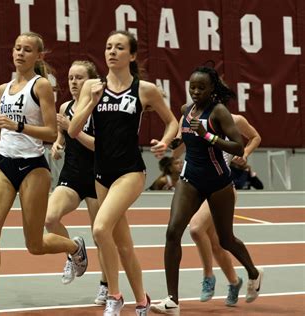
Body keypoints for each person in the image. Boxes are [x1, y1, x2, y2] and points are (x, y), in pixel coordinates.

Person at [0, 32, 88, 316]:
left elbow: (50, 132)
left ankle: (75, 246)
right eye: (16, 48)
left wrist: (18, 127)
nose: (20, 53)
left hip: (32, 167)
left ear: (38, 56)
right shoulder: (3, 89)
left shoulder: (42, 86)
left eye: (27, 50)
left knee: (34, 245)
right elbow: (1, 127)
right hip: (4, 162)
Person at [68, 30, 178, 316]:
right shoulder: (92, 85)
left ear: (131, 55)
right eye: (108, 47)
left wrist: (166, 142)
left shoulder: (145, 89)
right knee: (124, 244)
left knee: (100, 229)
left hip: (130, 171)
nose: (112, 52)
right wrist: (91, 101)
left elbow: (172, 122)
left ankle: (114, 296)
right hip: (101, 172)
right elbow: (72, 129)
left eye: (119, 47)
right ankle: (142, 300)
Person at [151, 65, 264, 315]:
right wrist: (166, 144)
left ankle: (254, 273)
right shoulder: (185, 110)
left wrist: (209, 136)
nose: (196, 91)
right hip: (190, 179)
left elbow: (236, 147)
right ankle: (172, 301)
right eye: (192, 87)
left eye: (202, 87)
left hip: (218, 183)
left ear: (212, 89)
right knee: (173, 231)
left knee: (225, 239)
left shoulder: (220, 113)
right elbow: (184, 140)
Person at [171, 113, 261, 306]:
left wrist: (244, 153)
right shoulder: (189, 116)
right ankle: (235, 281)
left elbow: (255, 137)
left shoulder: (235, 120)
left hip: (221, 187)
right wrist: (172, 142)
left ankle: (208, 276)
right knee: (217, 244)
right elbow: (176, 152)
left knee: (196, 229)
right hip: (195, 186)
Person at [44, 60, 110, 304]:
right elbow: (62, 136)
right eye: (71, 78)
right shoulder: (65, 106)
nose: (73, 82)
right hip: (72, 175)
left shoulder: (102, 108)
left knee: (100, 235)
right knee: (50, 218)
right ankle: (74, 250)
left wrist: (72, 129)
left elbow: (100, 146)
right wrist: (57, 145)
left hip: (97, 177)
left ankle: (106, 285)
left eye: (79, 78)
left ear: (91, 81)